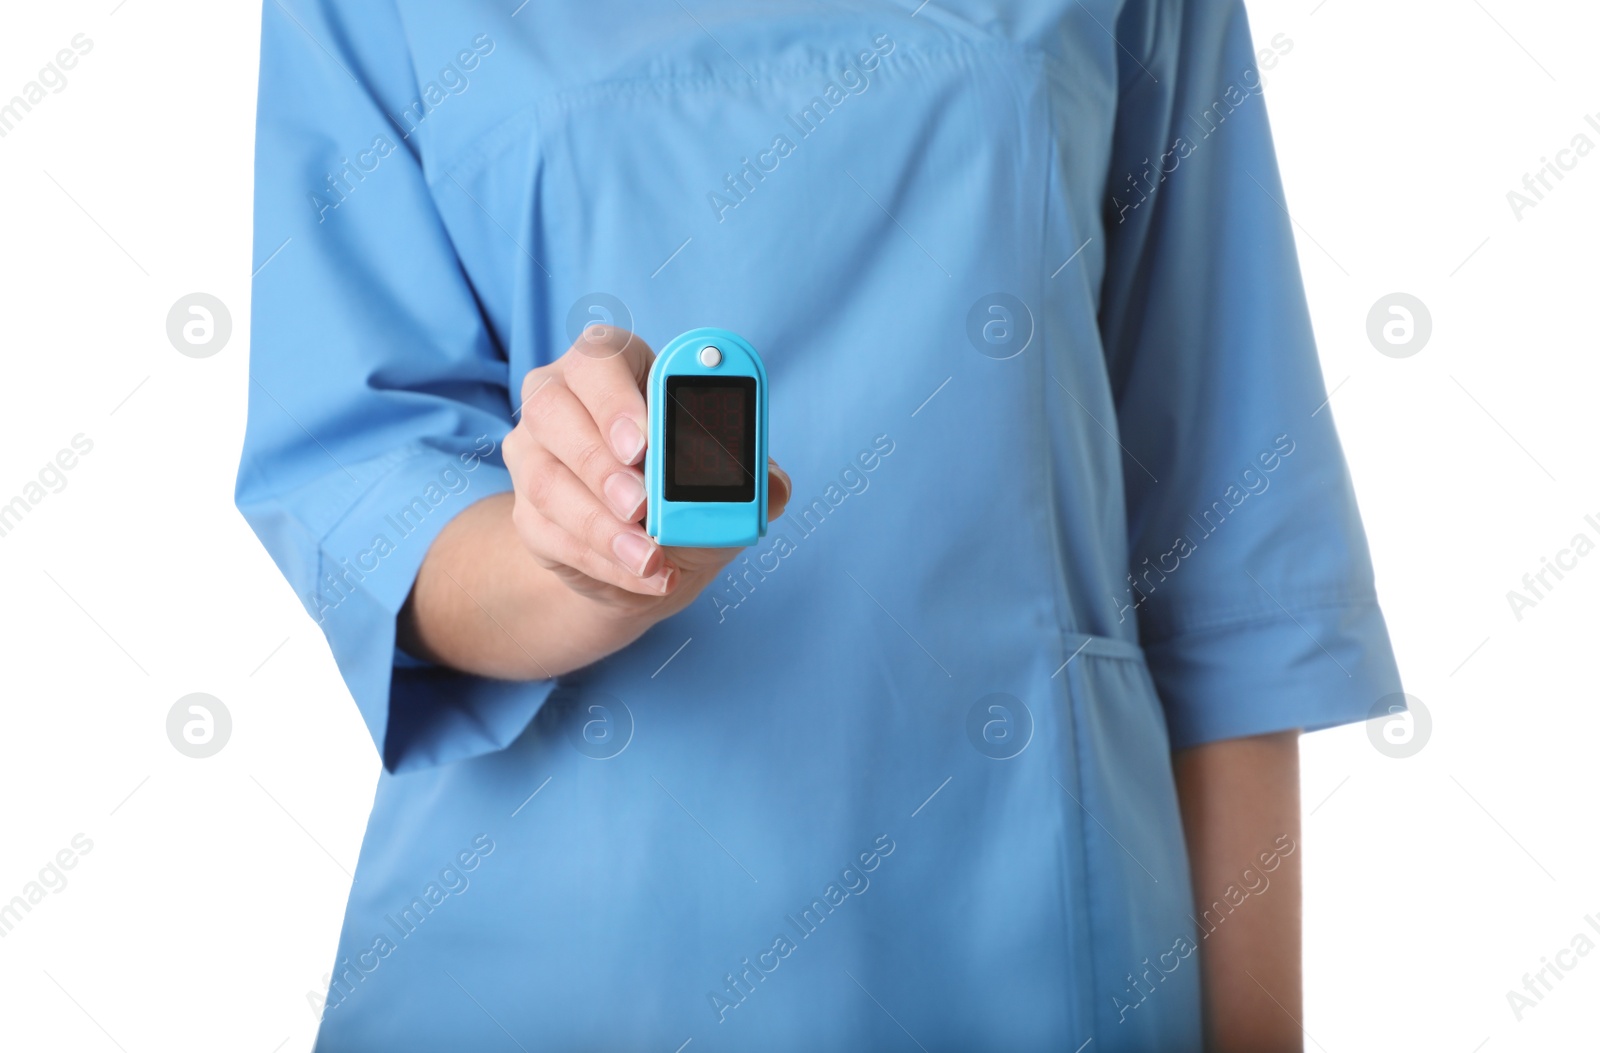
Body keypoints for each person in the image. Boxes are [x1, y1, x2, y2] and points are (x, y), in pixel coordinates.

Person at [237, 2, 1401, 1050]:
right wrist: (575, 561)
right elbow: (371, 489)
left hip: (1024, 941)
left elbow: (1230, 554)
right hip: (550, 949)